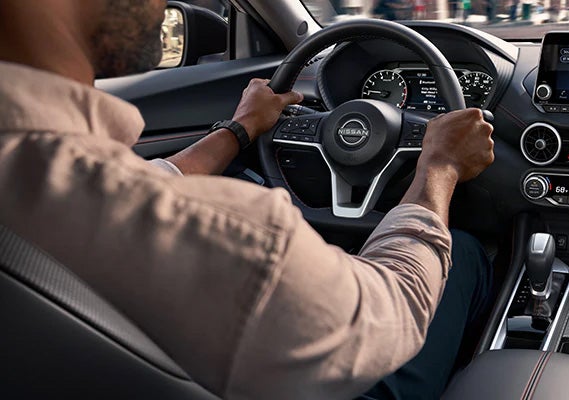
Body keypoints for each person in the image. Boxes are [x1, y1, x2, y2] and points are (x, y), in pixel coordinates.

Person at [0, 0, 494, 399]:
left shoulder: (42, 181)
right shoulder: (242, 242)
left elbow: (150, 181)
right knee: (464, 250)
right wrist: (439, 167)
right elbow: (391, 310)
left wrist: (240, 129)